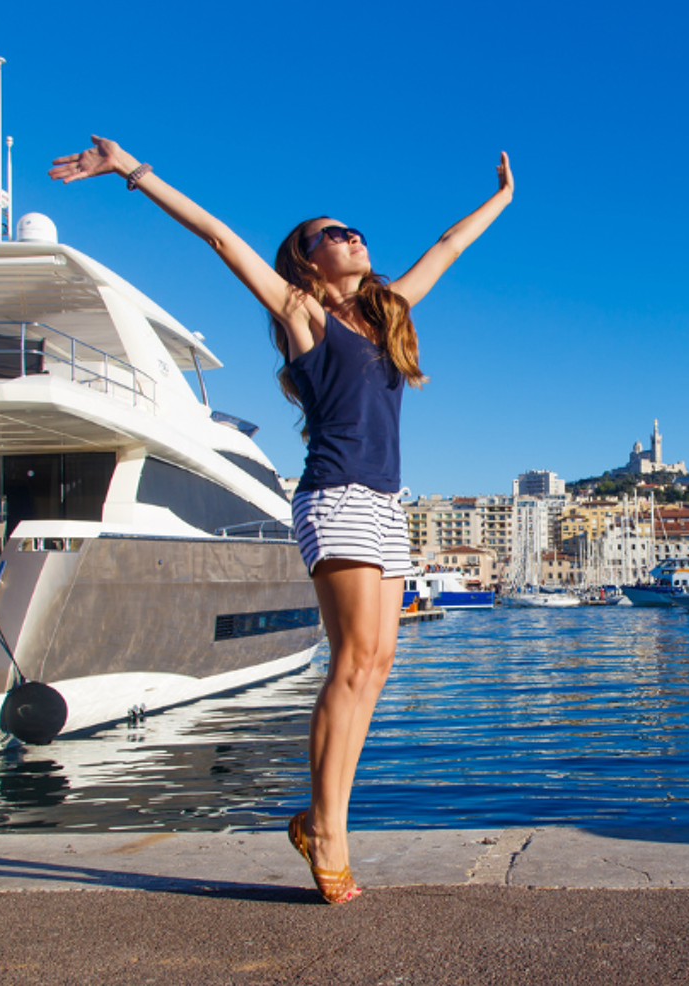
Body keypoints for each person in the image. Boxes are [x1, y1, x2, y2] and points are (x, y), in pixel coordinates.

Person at [51, 136, 512, 903]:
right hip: (335, 496)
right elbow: (221, 238)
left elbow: (447, 246)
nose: (350, 237)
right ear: (305, 261)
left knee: (376, 665)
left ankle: (318, 817)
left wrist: (501, 197)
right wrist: (135, 173)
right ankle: (329, 829)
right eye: (330, 234)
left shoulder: (388, 311)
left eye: (353, 229)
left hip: (386, 504)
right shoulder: (302, 314)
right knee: (354, 660)